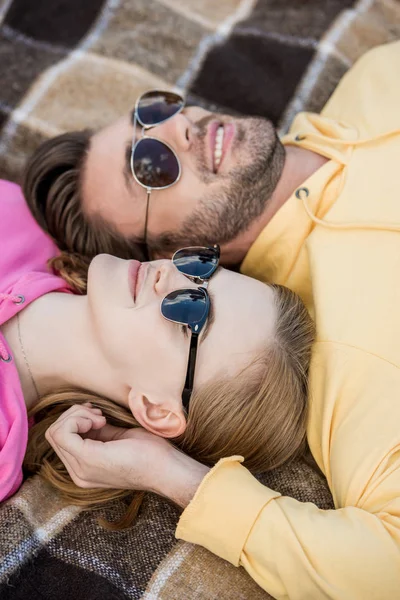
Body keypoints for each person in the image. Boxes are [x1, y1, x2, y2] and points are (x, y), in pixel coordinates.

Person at [33, 41, 400, 599]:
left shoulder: (378, 77)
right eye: (151, 166)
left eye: (152, 113)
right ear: (160, 257)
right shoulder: (351, 360)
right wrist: (174, 477)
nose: (180, 125)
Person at [0, 178, 314, 509]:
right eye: (200, 269)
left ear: (157, 409)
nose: (168, 272)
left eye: (192, 309)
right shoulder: (19, 214)